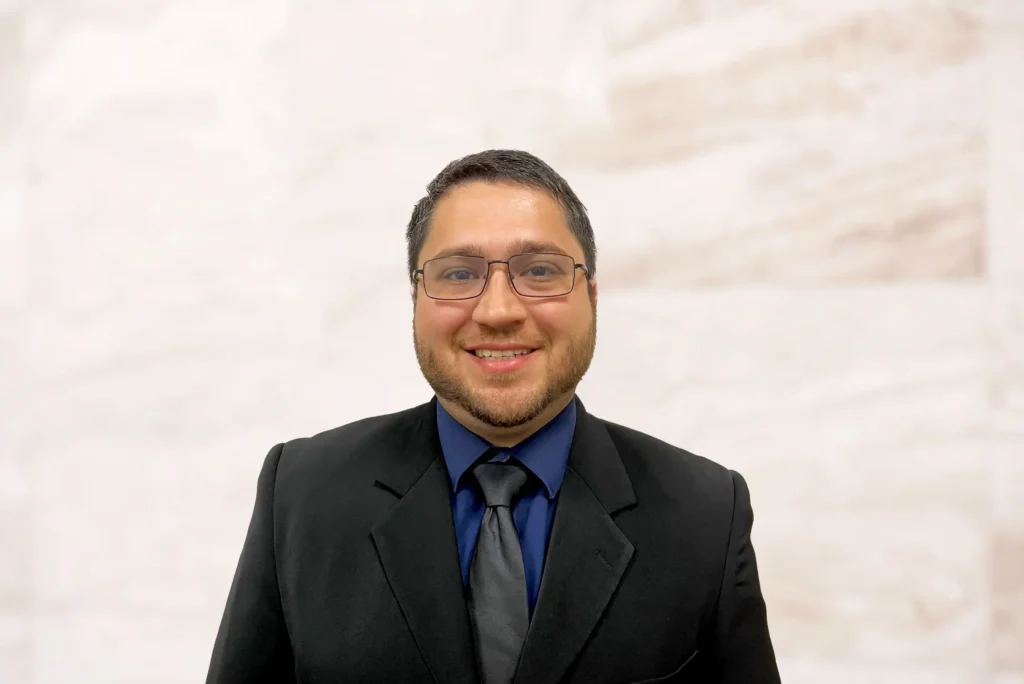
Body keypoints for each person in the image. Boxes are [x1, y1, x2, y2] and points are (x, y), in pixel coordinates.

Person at [206, 149, 781, 684]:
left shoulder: (707, 513)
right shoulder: (301, 494)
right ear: (415, 301)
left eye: (539, 271)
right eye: (458, 274)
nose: (499, 310)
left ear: (593, 297)